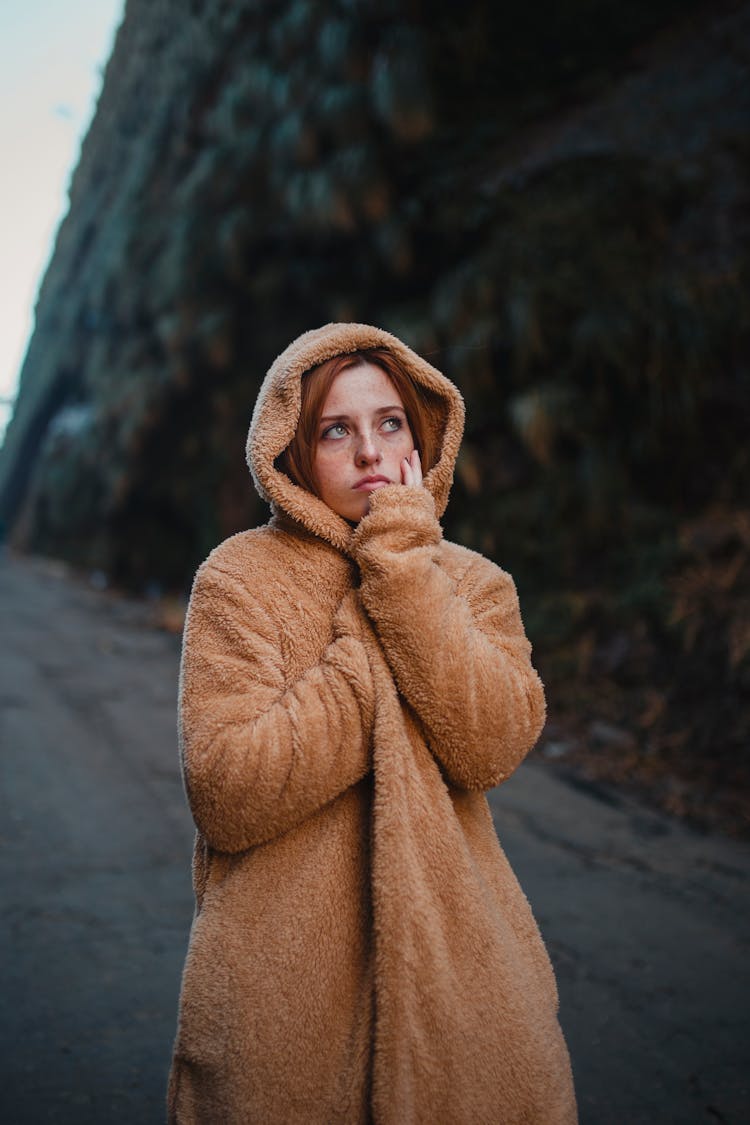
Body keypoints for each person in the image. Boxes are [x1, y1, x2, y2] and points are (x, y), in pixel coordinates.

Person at [167, 322, 577, 1124]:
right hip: (281, 1011)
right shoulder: (238, 580)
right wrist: (372, 634)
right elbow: (227, 791)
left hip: (471, 997)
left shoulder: (475, 583)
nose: (369, 452)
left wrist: (406, 575)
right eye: (336, 430)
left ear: (422, 437)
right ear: (292, 452)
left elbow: (490, 743)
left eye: (389, 422)